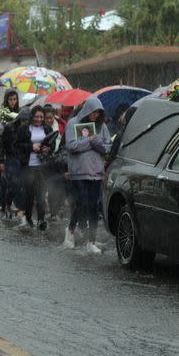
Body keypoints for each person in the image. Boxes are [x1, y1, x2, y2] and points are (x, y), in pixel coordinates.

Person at [63, 96, 111, 253]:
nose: (95, 115)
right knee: (81, 203)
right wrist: (88, 141)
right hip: (79, 172)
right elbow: (71, 145)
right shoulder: (72, 123)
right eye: (94, 112)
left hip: (96, 172)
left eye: (98, 113)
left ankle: (91, 241)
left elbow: (107, 147)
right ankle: (70, 231)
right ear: (87, 109)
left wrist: (95, 141)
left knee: (94, 206)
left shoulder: (102, 126)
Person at [15, 105, 52, 229]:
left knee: (41, 194)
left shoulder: (47, 128)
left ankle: (41, 220)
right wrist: (31, 147)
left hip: (42, 166)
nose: (39, 119)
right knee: (29, 194)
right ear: (32, 117)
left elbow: (52, 144)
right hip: (28, 165)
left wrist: (48, 149)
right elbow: (17, 145)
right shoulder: (24, 129)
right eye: (36, 117)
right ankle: (29, 217)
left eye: (41, 117)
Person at [0, 107, 30, 218]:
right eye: (24, 120)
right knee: (13, 184)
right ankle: (7, 204)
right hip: (11, 158)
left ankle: (20, 207)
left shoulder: (28, 128)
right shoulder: (9, 127)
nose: (25, 122)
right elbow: (2, 145)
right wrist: (1, 160)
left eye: (27, 120)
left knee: (22, 184)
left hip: (23, 158)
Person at [43, 104, 66, 220]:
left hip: (59, 158)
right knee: (50, 185)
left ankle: (58, 208)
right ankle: (52, 212)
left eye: (51, 118)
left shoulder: (61, 124)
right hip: (47, 161)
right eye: (46, 118)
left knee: (60, 184)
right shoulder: (41, 128)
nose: (49, 120)